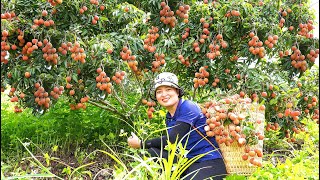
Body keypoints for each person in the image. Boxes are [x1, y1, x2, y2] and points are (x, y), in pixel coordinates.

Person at [128, 72, 227, 180]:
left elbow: (172, 140)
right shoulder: (169, 116)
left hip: (208, 161)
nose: (164, 94)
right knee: (150, 152)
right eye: (159, 91)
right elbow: (172, 146)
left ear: (177, 91)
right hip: (187, 161)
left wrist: (141, 143)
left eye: (168, 89)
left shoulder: (188, 107)